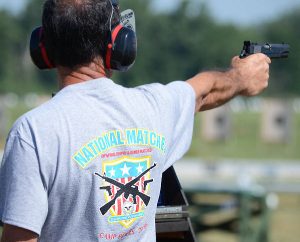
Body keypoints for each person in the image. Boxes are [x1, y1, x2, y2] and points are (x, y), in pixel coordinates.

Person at [0, 0, 270, 241]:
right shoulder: (153, 108)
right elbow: (205, 90)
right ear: (118, 43)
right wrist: (240, 77)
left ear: (43, 47)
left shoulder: (33, 132)